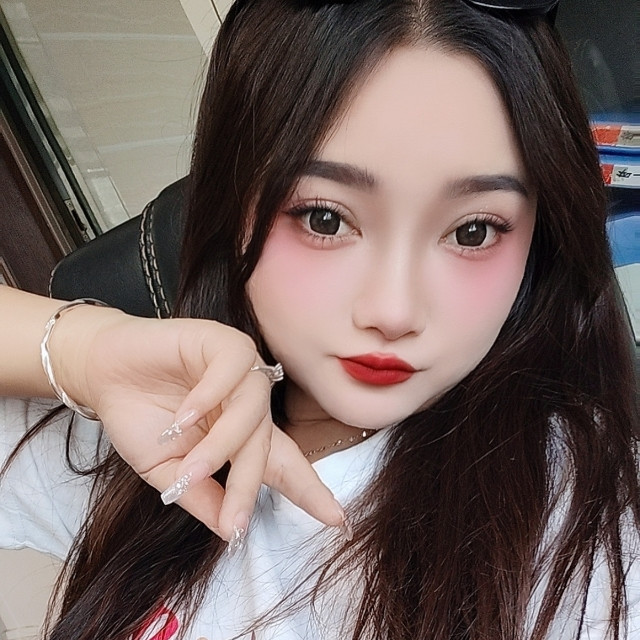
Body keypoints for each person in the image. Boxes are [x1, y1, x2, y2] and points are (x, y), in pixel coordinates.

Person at [1, 0, 638, 638]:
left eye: (473, 230)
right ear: (232, 202)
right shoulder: (150, 426)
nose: (393, 312)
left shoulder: (591, 524)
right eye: (325, 218)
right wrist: (82, 349)